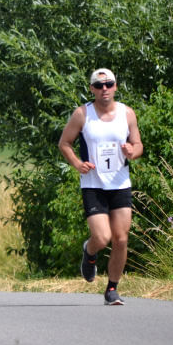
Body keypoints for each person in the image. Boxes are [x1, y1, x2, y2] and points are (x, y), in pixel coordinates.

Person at [58, 68, 143, 305]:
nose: (104, 89)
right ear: (92, 89)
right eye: (98, 85)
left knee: (121, 239)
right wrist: (77, 163)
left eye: (109, 84)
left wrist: (132, 151)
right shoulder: (82, 114)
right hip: (93, 184)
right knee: (102, 237)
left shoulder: (127, 113)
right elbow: (64, 143)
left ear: (116, 86)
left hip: (120, 183)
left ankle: (112, 289)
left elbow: (138, 145)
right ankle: (90, 251)